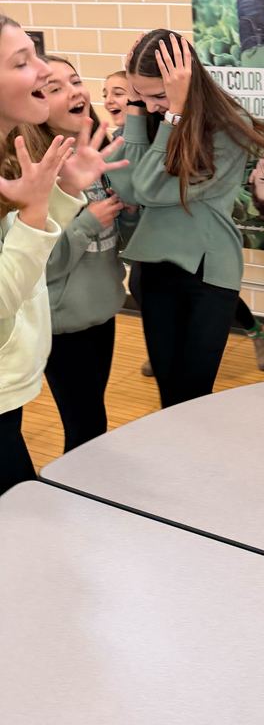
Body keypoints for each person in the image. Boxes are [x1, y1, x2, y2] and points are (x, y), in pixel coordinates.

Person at [107, 29, 264, 407]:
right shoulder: (150, 117)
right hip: (155, 269)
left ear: (186, 83)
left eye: (157, 96)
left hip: (207, 276)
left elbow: (149, 188)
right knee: (168, 395)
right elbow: (130, 190)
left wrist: (175, 117)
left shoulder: (227, 128)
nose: (150, 107)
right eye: (140, 95)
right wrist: (137, 107)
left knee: (193, 397)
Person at [0, 15, 128, 493]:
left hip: (16, 377)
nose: (39, 71)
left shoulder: (30, 159)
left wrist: (64, 193)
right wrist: (44, 212)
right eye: (24, 62)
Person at [25, 57, 127, 452]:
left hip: (101, 311)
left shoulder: (97, 156)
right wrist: (89, 223)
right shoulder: (35, 171)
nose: (75, 92)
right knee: (85, 425)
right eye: (55, 88)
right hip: (63, 325)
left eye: (75, 81)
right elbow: (40, 264)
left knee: (92, 419)